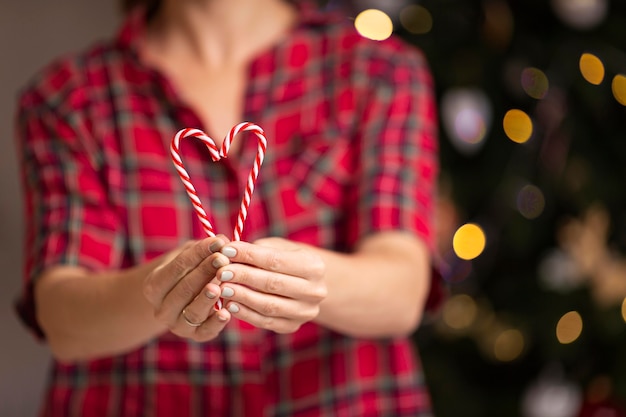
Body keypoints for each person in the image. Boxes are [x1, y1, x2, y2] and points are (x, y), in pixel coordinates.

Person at [14, 0, 439, 415]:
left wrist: (308, 278)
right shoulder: (68, 99)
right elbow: (62, 318)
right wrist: (164, 287)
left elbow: (402, 291)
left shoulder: (378, 70)